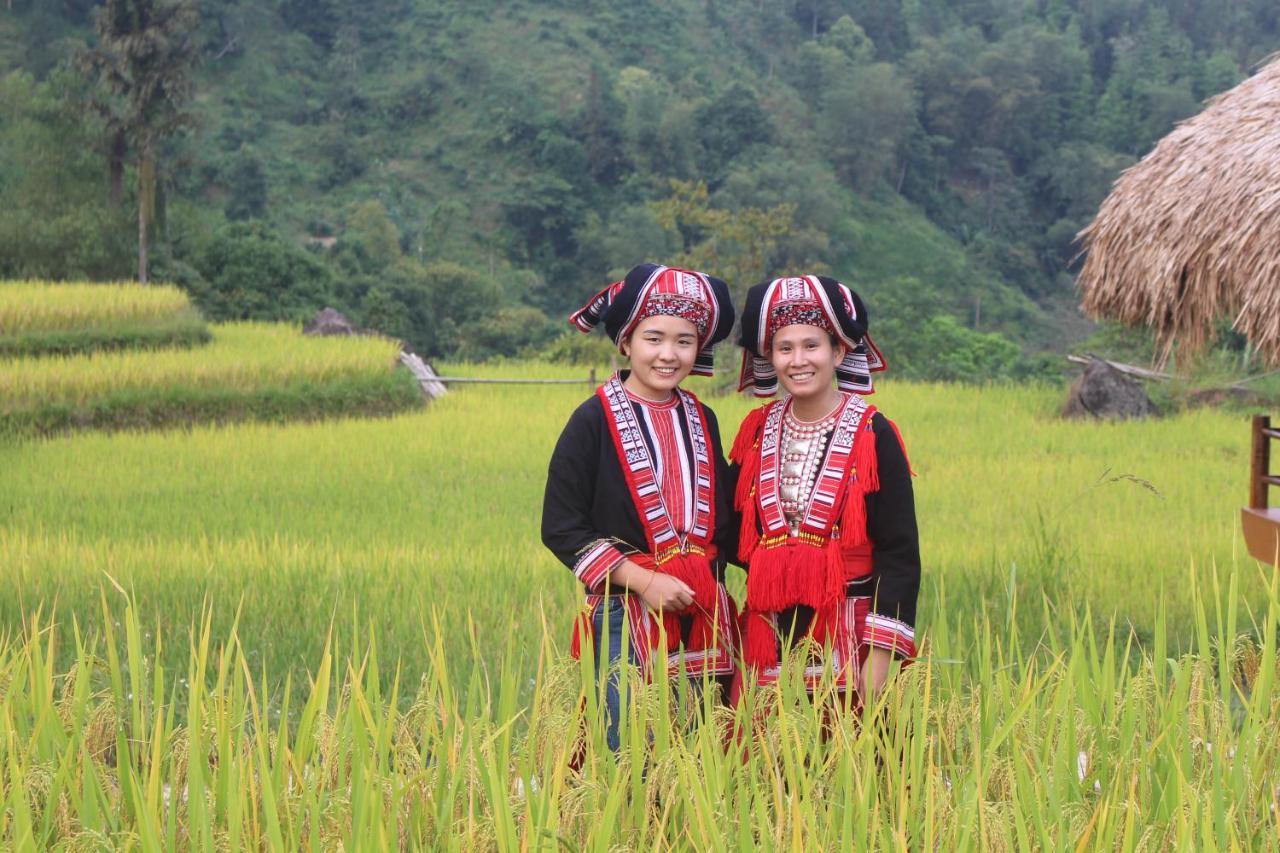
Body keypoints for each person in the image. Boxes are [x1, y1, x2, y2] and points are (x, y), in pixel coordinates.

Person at [541, 262, 738, 753]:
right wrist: (645, 580)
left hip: (703, 614)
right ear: (625, 343)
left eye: (684, 341)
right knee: (627, 754)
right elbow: (561, 527)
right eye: (653, 338)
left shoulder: (703, 418)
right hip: (622, 614)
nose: (668, 354)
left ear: (700, 348)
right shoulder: (591, 420)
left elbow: (728, 523)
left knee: (701, 757)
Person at [730, 275, 919, 706]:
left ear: (838, 351)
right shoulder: (756, 433)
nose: (798, 360)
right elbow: (730, 531)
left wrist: (881, 660)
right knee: (761, 769)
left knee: (856, 768)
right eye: (784, 348)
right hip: (768, 642)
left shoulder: (874, 433)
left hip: (852, 641)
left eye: (811, 346)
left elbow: (899, 554)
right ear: (770, 357)